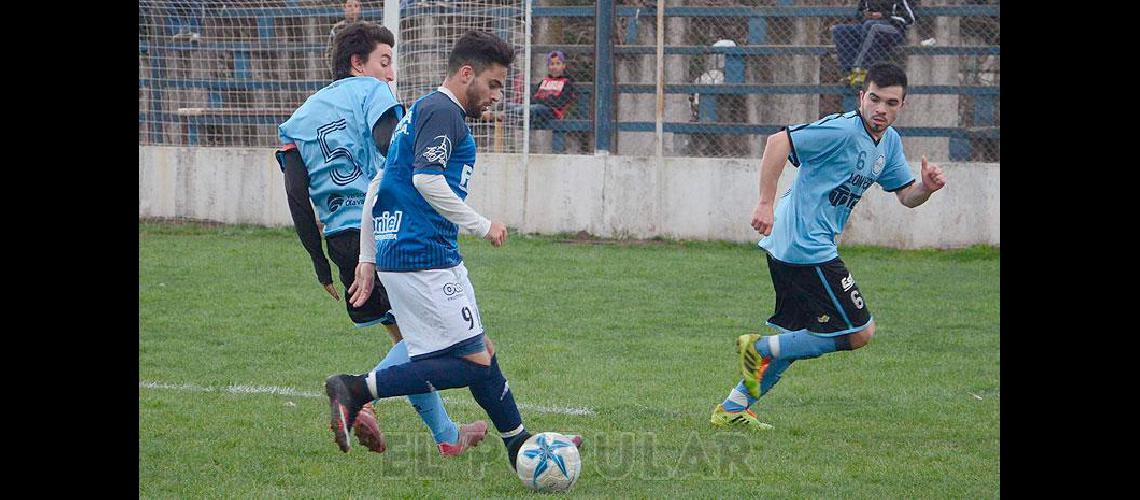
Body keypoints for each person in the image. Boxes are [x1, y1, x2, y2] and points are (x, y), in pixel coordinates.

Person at [325, 30, 581, 471]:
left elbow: (376, 187)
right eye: (495, 84)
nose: (498, 96)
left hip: (407, 254)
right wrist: (482, 225)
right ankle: (356, 389)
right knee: (474, 362)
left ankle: (517, 442)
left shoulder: (421, 110)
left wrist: (368, 258)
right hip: (423, 255)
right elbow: (426, 179)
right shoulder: (445, 113)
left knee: (479, 349)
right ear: (467, 74)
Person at [277, 21, 486, 456]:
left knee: (406, 339)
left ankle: (447, 436)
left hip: (340, 241)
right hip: (386, 231)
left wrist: (320, 266)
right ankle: (359, 396)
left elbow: (297, 195)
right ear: (358, 64)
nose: (391, 74)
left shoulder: (299, 118)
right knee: (450, 341)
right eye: (384, 62)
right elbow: (391, 146)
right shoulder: (371, 92)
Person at [709, 62, 946, 431]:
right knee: (858, 332)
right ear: (861, 97)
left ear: (902, 105)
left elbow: (905, 195)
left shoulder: (890, 142)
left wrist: (926, 189)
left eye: (891, 102)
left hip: (794, 242)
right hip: (806, 245)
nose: (881, 109)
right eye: (875, 99)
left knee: (799, 337)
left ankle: (733, 406)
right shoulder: (841, 129)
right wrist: (764, 202)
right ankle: (759, 348)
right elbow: (778, 141)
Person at [481, 50, 577, 128]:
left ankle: (503, 116)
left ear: (563, 65)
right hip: (533, 107)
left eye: (558, 63)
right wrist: (544, 99)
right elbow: (532, 97)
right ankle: (491, 112)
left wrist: (542, 100)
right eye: (551, 64)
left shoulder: (567, 83)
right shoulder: (543, 82)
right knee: (510, 105)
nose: (554, 67)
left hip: (551, 112)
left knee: (532, 108)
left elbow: (559, 102)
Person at [830, 1, 915, 88]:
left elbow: (910, 18)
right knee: (840, 30)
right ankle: (849, 73)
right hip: (869, 26)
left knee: (871, 26)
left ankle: (861, 69)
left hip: (894, 28)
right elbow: (859, 15)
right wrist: (866, 15)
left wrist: (883, 15)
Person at [326, 0, 364, 76]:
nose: (352, 9)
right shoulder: (337, 28)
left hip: (362, 71)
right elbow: (329, 52)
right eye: (349, 6)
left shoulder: (366, 28)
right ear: (344, 7)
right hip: (343, 71)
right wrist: (335, 72)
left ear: (360, 8)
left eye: (356, 6)